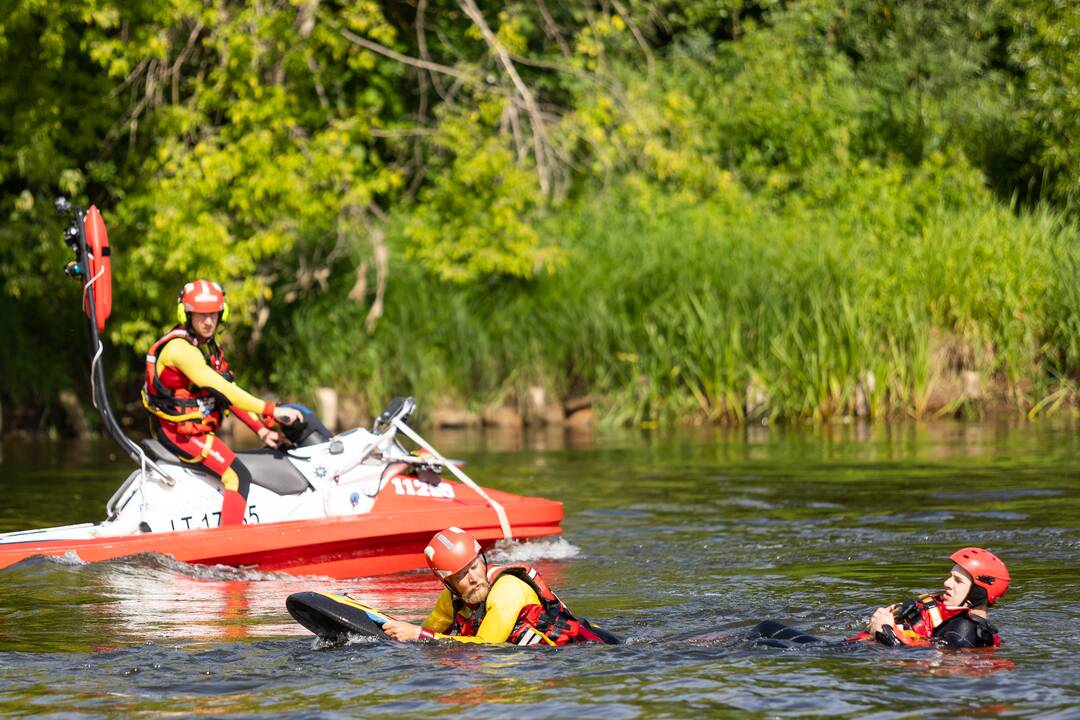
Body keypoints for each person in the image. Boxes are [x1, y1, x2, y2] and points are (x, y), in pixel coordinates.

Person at [142, 279, 302, 526]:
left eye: (213, 315)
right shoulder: (180, 350)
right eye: (200, 315)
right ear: (186, 315)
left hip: (192, 431)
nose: (208, 321)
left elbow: (225, 393)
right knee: (237, 476)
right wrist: (271, 410)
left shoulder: (206, 347)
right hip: (178, 434)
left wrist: (260, 429)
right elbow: (224, 390)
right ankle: (230, 545)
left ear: (221, 314)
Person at [382, 527, 621, 645]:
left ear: (482, 559)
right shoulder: (450, 600)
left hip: (593, 648)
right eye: (462, 575)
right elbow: (423, 634)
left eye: (474, 566)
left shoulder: (507, 590)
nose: (474, 578)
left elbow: (487, 646)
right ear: (448, 583)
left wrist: (420, 634)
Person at [862, 547, 1009, 649]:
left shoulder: (964, 632)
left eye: (958, 581)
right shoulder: (958, 623)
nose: (947, 583)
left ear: (978, 592)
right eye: (950, 577)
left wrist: (884, 630)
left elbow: (904, 656)